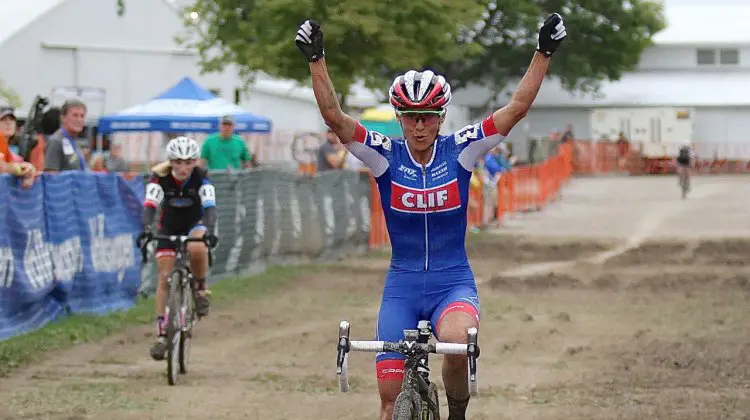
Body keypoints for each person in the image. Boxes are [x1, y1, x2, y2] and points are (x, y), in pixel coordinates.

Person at [296, 13, 567, 420]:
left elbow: (517, 108)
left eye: (427, 117)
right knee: (388, 398)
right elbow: (335, 118)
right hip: (402, 286)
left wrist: (543, 52)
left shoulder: (462, 148)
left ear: (441, 117)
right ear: (399, 118)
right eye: (410, 117)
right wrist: (317, 59)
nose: (419, 126)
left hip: (451, 282)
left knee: (457, 346)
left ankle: (456, 412)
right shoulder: (384, 153)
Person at [137, 136, 219, 361]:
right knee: (164, 277)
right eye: (178, 162)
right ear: (170, 162)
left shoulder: (202, 178)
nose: (183, 168)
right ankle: (162, 332)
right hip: (169, 226)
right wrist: (145, 227)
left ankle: (201, 288)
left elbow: (210, 207)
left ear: (195, 162)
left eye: (188, 162)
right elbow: (149, 206)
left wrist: (210, 230)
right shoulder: (159, 177)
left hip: (195, 225)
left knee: (196, 247)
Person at [44, 99, 90, 172]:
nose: (79, 120)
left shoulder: (75, 141)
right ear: (63, 118)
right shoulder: (56, 141)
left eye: (82, 116)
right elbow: (51, 175)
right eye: (75, 115)